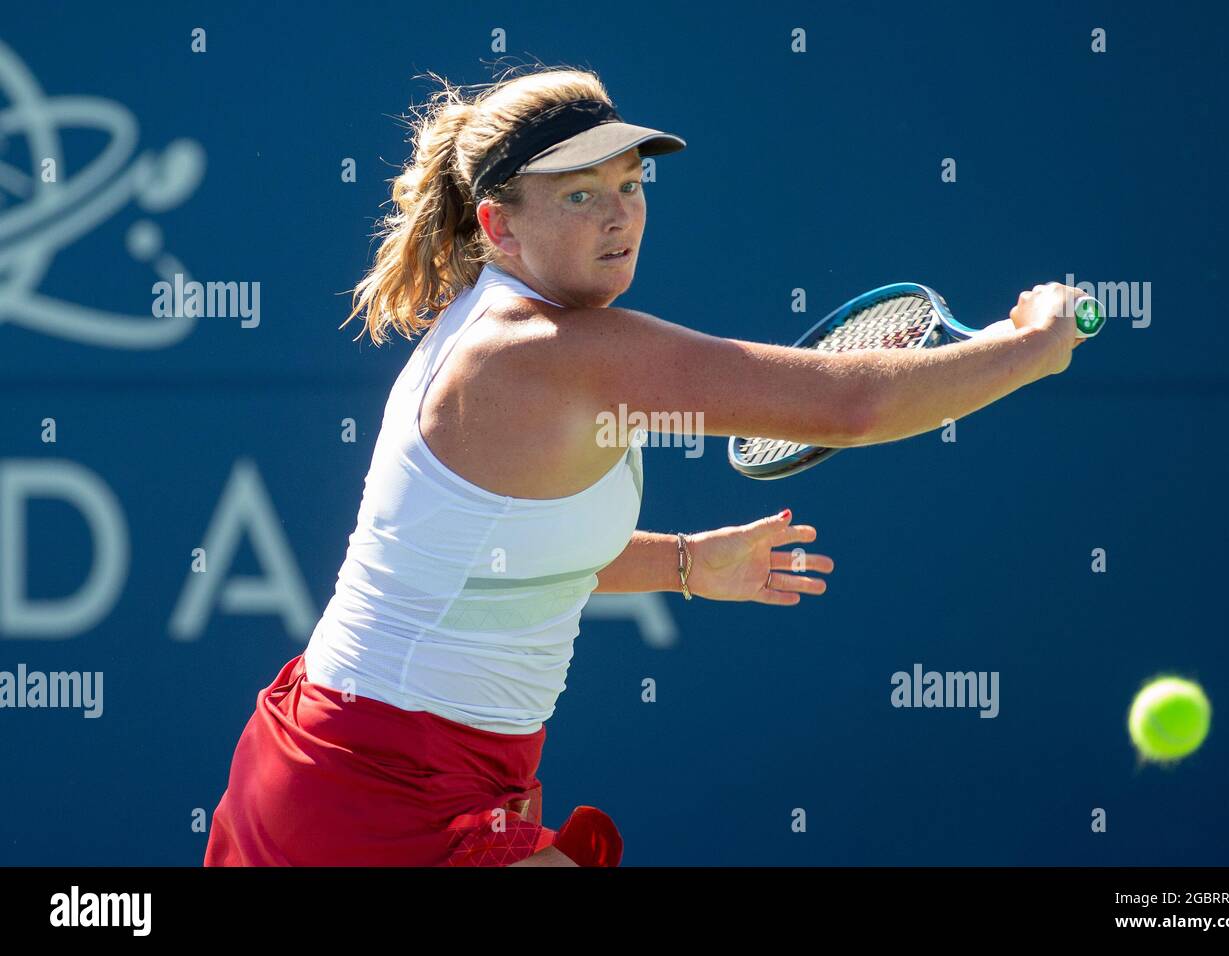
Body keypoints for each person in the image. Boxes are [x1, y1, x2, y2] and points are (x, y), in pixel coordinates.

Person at [204, 65, 1087, 867]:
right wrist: (1033, 347)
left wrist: (686, 564)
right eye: (581, 195)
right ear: (498, 225)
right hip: (376, 794)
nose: (621, 213)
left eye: (630, 185)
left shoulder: (502, 332)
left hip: (352, 767)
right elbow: (848, 407)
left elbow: (501, 559)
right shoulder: (542, 352)